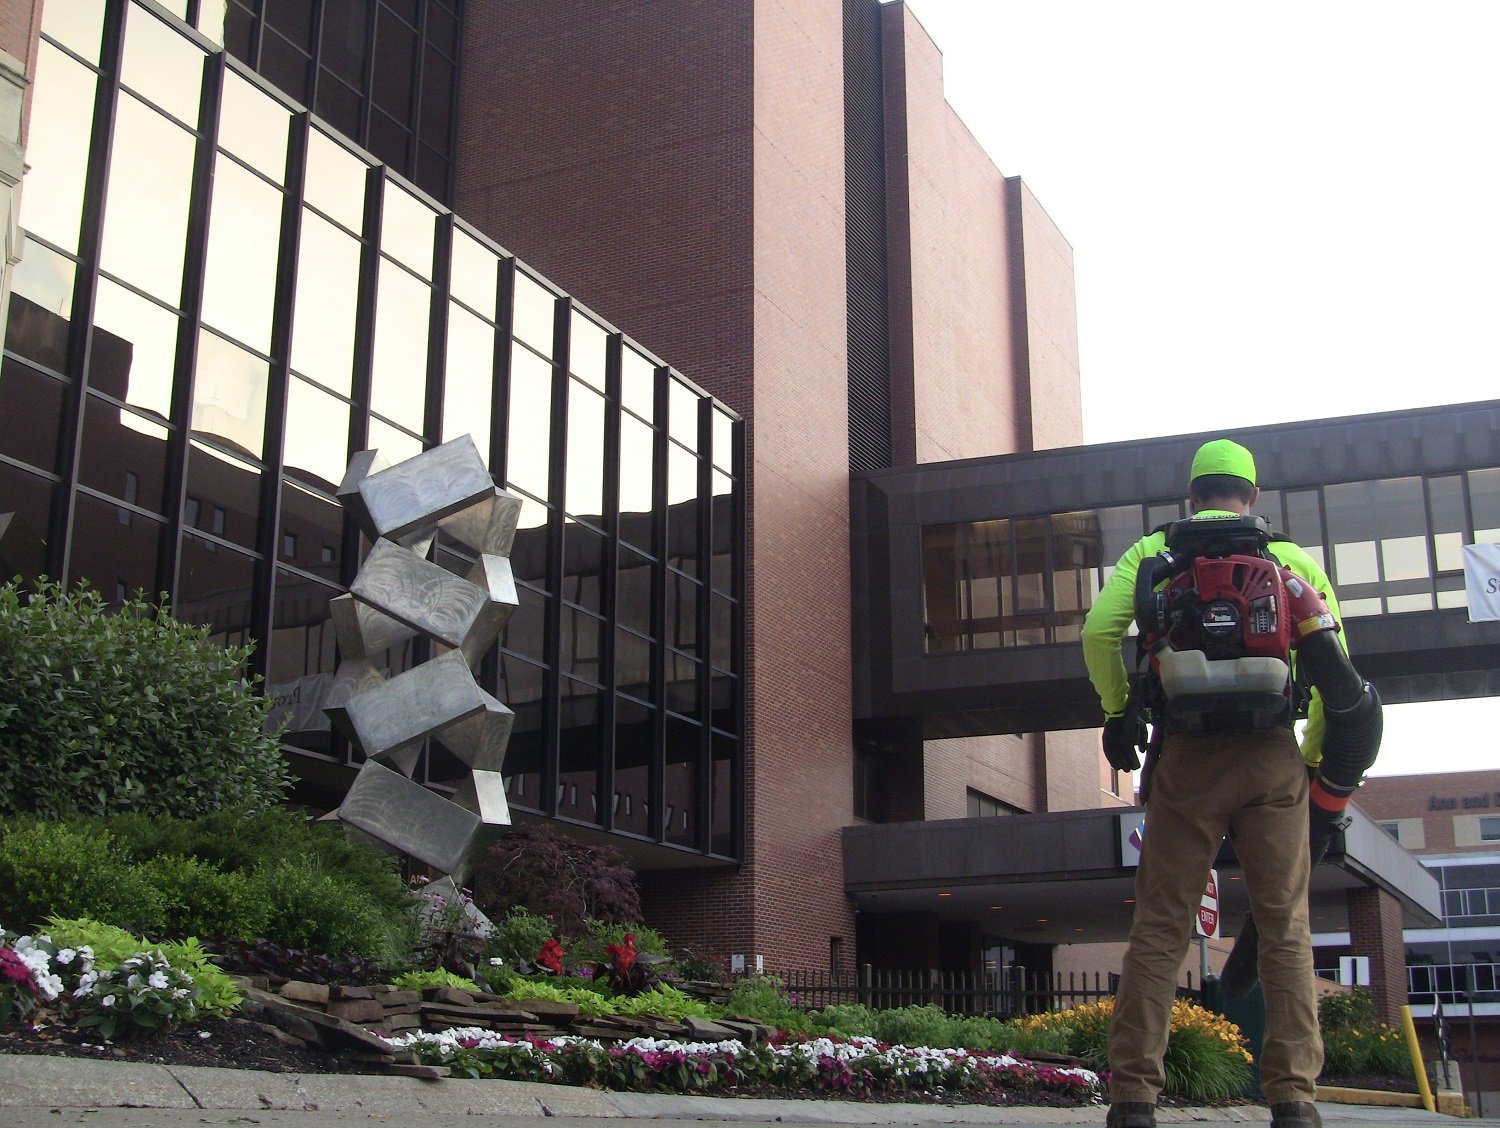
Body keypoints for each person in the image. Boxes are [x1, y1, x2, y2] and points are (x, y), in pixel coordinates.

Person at [1081, 438, 1356, 1128]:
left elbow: (1096, 630)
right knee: (1285, 926)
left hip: (1186, 760)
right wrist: (1315, 759)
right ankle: (1293, 1100)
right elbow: (1337, 668)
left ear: (1193, 493)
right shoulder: (1288, 561)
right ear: (1253, 497)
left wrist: (1119, 712)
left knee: (1162, 928)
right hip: (1272, 760)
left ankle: (1134, 1098)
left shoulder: (1154, 554)